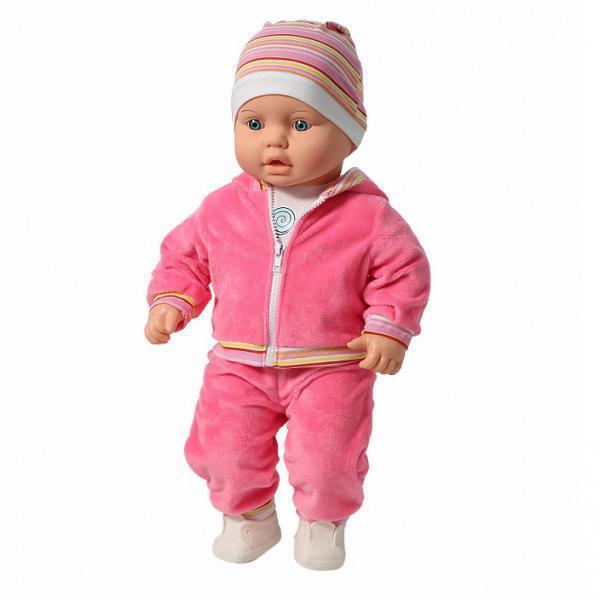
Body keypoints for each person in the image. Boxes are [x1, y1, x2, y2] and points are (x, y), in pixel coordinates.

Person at [144, 19, 431, 570]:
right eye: (253, 122)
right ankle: (249, 515)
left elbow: (403, 270)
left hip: (333, 363)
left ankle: (324, 521)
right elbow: (186, 256)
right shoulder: (222, 208)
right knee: (224, 449)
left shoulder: (368, 215)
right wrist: (172, 299)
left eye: (301, 123)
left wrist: (389, 327)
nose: (273, 140)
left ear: (349, 132)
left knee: (329, 458)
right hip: (238, 363)